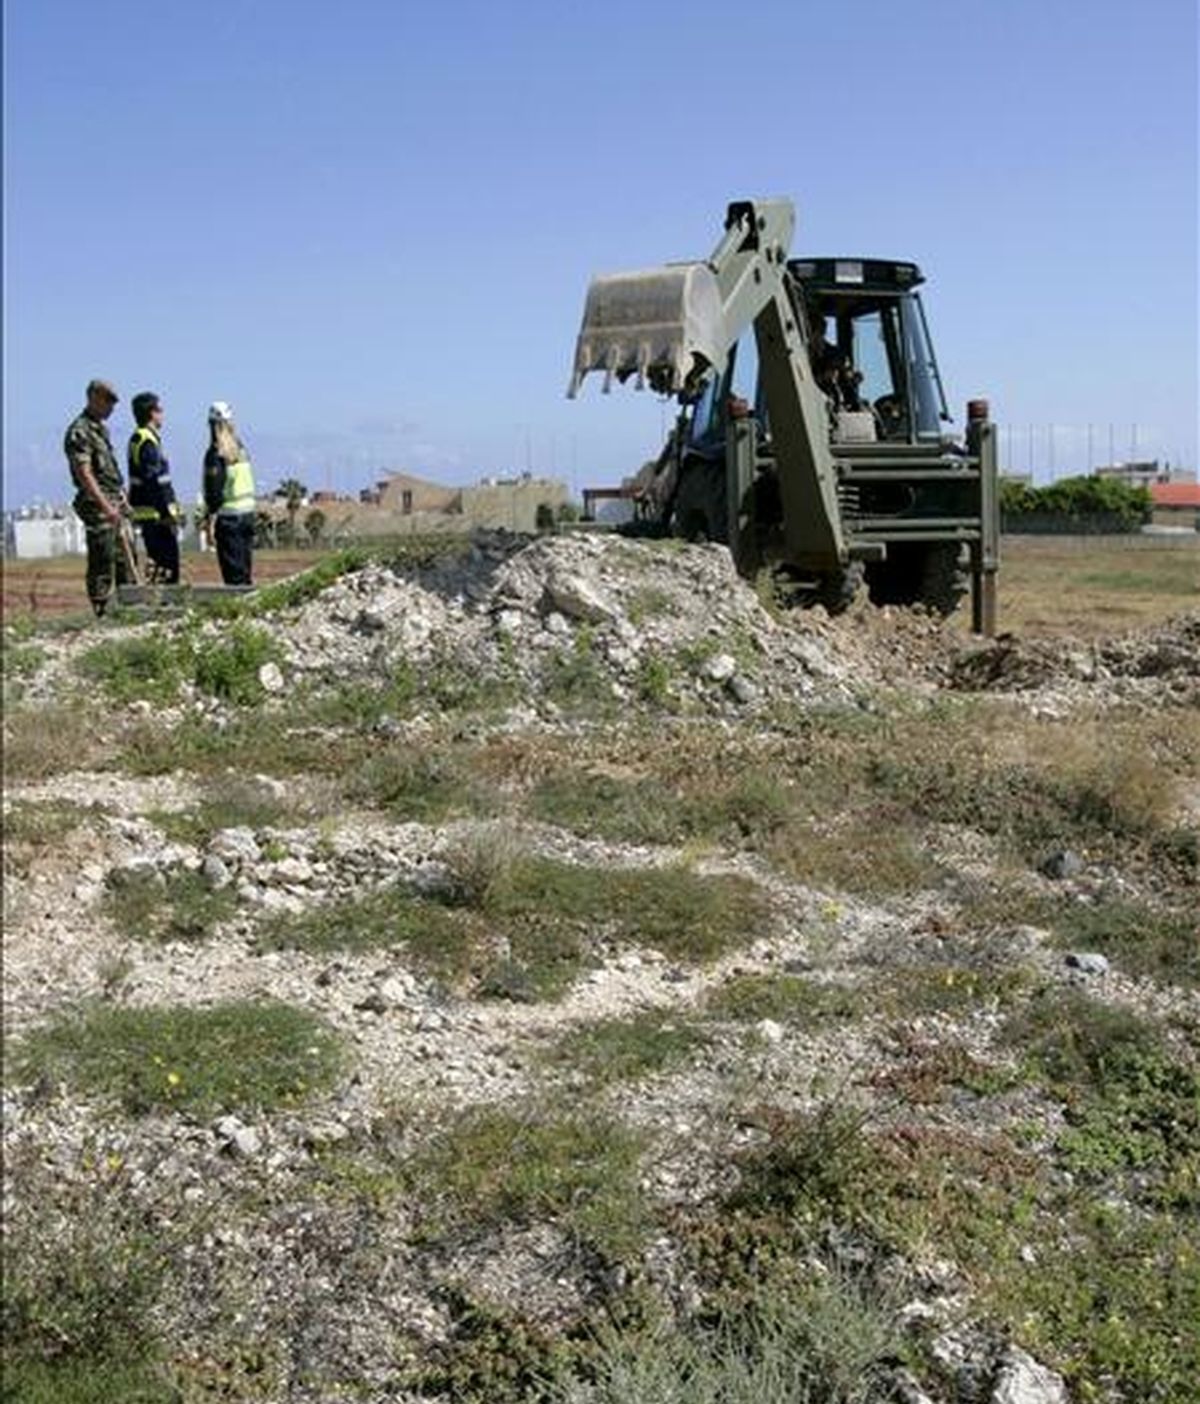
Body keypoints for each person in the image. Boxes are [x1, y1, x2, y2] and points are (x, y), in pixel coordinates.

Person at [64, 378, 131, 615]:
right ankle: (101, 610)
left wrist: (122, 497)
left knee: (125, 558)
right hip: (97, 504)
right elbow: (85, 474)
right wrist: (106, 506)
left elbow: (109, 470)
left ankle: (128, 607)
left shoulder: (101, 429)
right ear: (94, 398)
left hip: (115, 501)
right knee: (103, 557)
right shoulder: (80, 431)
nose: (111, 408)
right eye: (108, 401)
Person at [127, 392, 181, 583]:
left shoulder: (144, 438)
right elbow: (153, 481)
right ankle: (165, 609)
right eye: (160, 409)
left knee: (161, 569)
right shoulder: (146, 441)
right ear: (151, 413)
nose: (162, 414)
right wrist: (166, 514)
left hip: (151, 515)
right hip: (156, 516)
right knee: (167, 571)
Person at [203, 401, 257, 585]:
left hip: (228, 520)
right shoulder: (240, 449)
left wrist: (209, 520)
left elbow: (214, 493)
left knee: (233, 579)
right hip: (247, 516)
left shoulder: (216, 453)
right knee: (245, 574)